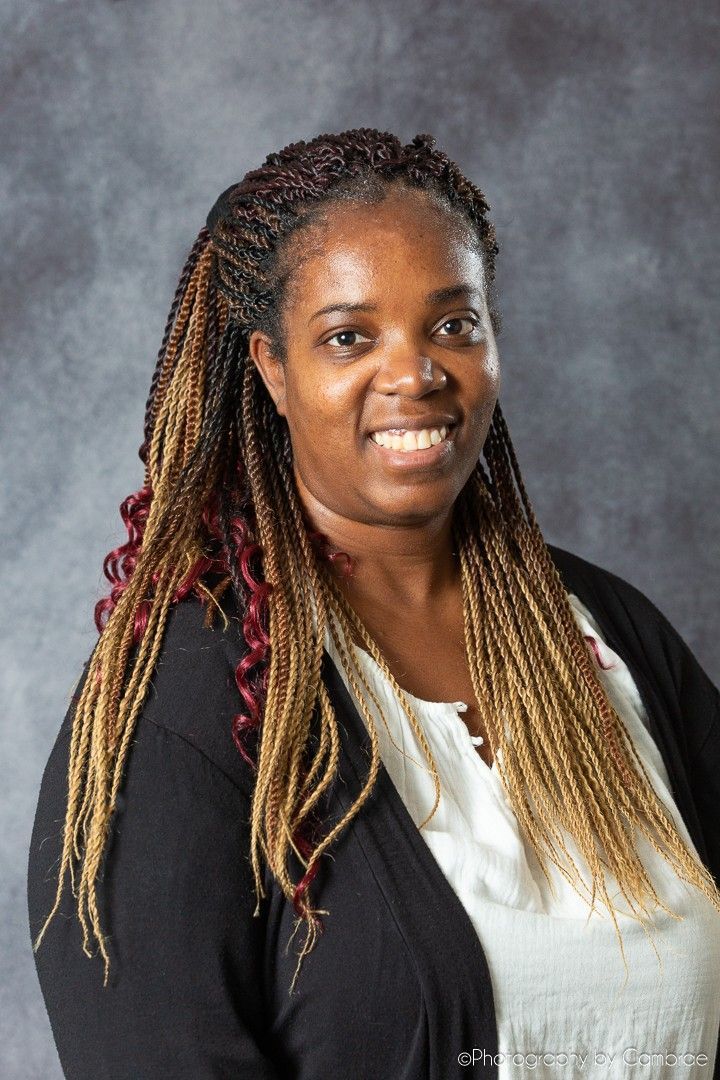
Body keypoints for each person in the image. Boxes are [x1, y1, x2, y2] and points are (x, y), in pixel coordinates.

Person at [27, 128, 720, 1079]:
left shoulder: (609, 633)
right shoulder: (183, 703)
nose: (415, 374)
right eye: (350, 336)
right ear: (272, 368)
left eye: (454, 324)